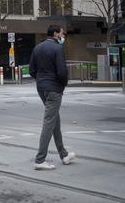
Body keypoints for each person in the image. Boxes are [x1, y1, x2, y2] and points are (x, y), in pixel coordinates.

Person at [29, 25, 76, 170]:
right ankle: (40, 159)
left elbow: (31, 70)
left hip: (41, 88)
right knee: (49, 122)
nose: (63, 36)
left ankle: (63, 154)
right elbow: (62, 71)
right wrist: (62, 85)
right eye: (62, 33)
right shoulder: (57, 49)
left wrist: (42, 80)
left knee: (55, 119)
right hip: (54, 89)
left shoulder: (38, 48)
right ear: (56, 34)